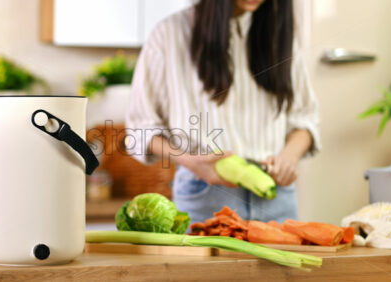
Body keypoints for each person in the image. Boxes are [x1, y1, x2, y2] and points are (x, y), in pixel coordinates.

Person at [125, 0, 321, 224]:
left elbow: (305, 119)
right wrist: (192, 162)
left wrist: (289, 156)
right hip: (205, 194)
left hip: (276, 195)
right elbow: (140, 130)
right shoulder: (169, 34)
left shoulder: (280, 35)